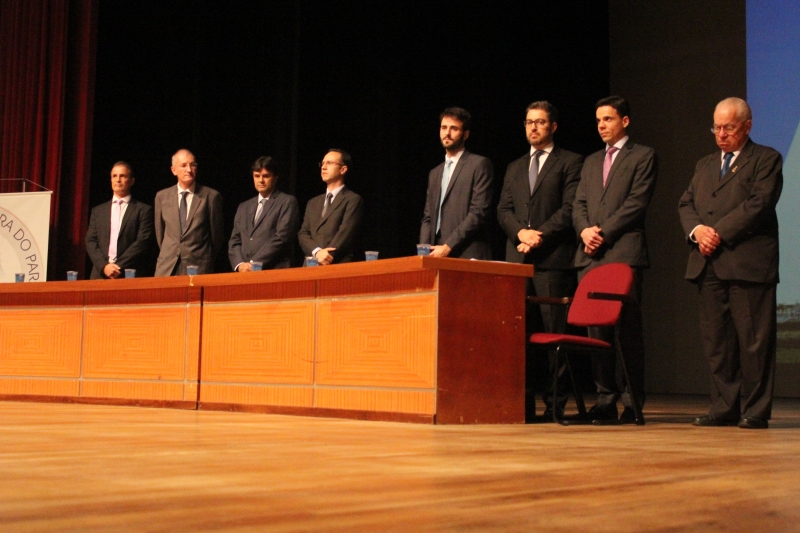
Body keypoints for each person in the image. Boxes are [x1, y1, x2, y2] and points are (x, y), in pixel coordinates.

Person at [678, 97, 782, 430]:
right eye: (716, 127)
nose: (721, 134)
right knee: (717, 343)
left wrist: (717, 233)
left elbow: (759, 204)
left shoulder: (765, 159)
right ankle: (724, 407)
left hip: (748, 264)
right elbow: (686, 203)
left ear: (747, 127)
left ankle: (755, 410)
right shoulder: (705, 164)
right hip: (708, 263)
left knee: (753, 343)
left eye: (729, 128)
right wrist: (698, 231)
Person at [572, 96, 657, 422]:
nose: (601, 126)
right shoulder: (591, 161)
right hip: (590, 256)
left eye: (607, 119)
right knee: (596, 334)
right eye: (598, 120)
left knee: (626, 332)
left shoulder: (643, 155)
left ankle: (632, 402)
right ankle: (605, 398)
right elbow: (579, 203)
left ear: (625, 121)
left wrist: (603, 233)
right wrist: (584, 231)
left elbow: (636, 203)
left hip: (623, 253)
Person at [497, 101, 583, 420]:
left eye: (540, 122)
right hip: (518, 260)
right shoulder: (515, 166)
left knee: (553, 335)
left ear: (553, 127)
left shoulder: (570, 162)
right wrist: (520, 232)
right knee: (518, 336)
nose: (533, 127)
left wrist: (538, 236)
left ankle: (554, 403)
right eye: (529, 122)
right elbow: (503, 209)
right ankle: (523, 403)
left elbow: (569, 208)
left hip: (552, 260)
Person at [420, 107, 493, 259]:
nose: (447, 133)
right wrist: (424, 251)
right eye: (443, 127)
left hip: (466, 251)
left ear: (465, 134)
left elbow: (478, 212)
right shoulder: (435, 173)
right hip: (435, 253)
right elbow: (428, 217)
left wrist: (448, 246)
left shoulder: (479, 164)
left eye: (454, 128)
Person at [153, 149, 224, 276]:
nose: (189, 170)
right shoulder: (162, 197)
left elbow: (216, 237)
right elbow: (160, 234)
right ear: (174, 170)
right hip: (168, 267)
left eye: (193, 165)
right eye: (183, 165)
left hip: (198, 267)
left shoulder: (211, 196)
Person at [229, 156, 300, 271]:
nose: (261, 180)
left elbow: (281, 238)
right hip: (245, 272)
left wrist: (253, 264)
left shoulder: (287, 202)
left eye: (266, 176)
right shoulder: (244, 207)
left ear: (275, 178)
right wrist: (240, 264)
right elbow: (235, 240)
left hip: (274, 270)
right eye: (257, 176)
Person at [85, 161, 155, 279]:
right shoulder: (98, 211)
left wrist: (117, 267)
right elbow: (90, 241)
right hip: (100, 273)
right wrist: (104, 266)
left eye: (122, 176)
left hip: (129, 274)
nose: (118, 180)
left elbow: (142, 242)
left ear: (132, 181)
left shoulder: (143, 210)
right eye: (114, 176)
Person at [298, 149, 363, 264]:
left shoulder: (352, 199)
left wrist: (326, 256)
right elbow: (303, 233)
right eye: (322, 163)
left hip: (336, 263)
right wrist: (317, 252)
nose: (323, 167)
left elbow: (345, 234)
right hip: (311, 263)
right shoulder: (313, 202)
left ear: (343, 169)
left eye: (329, 163)